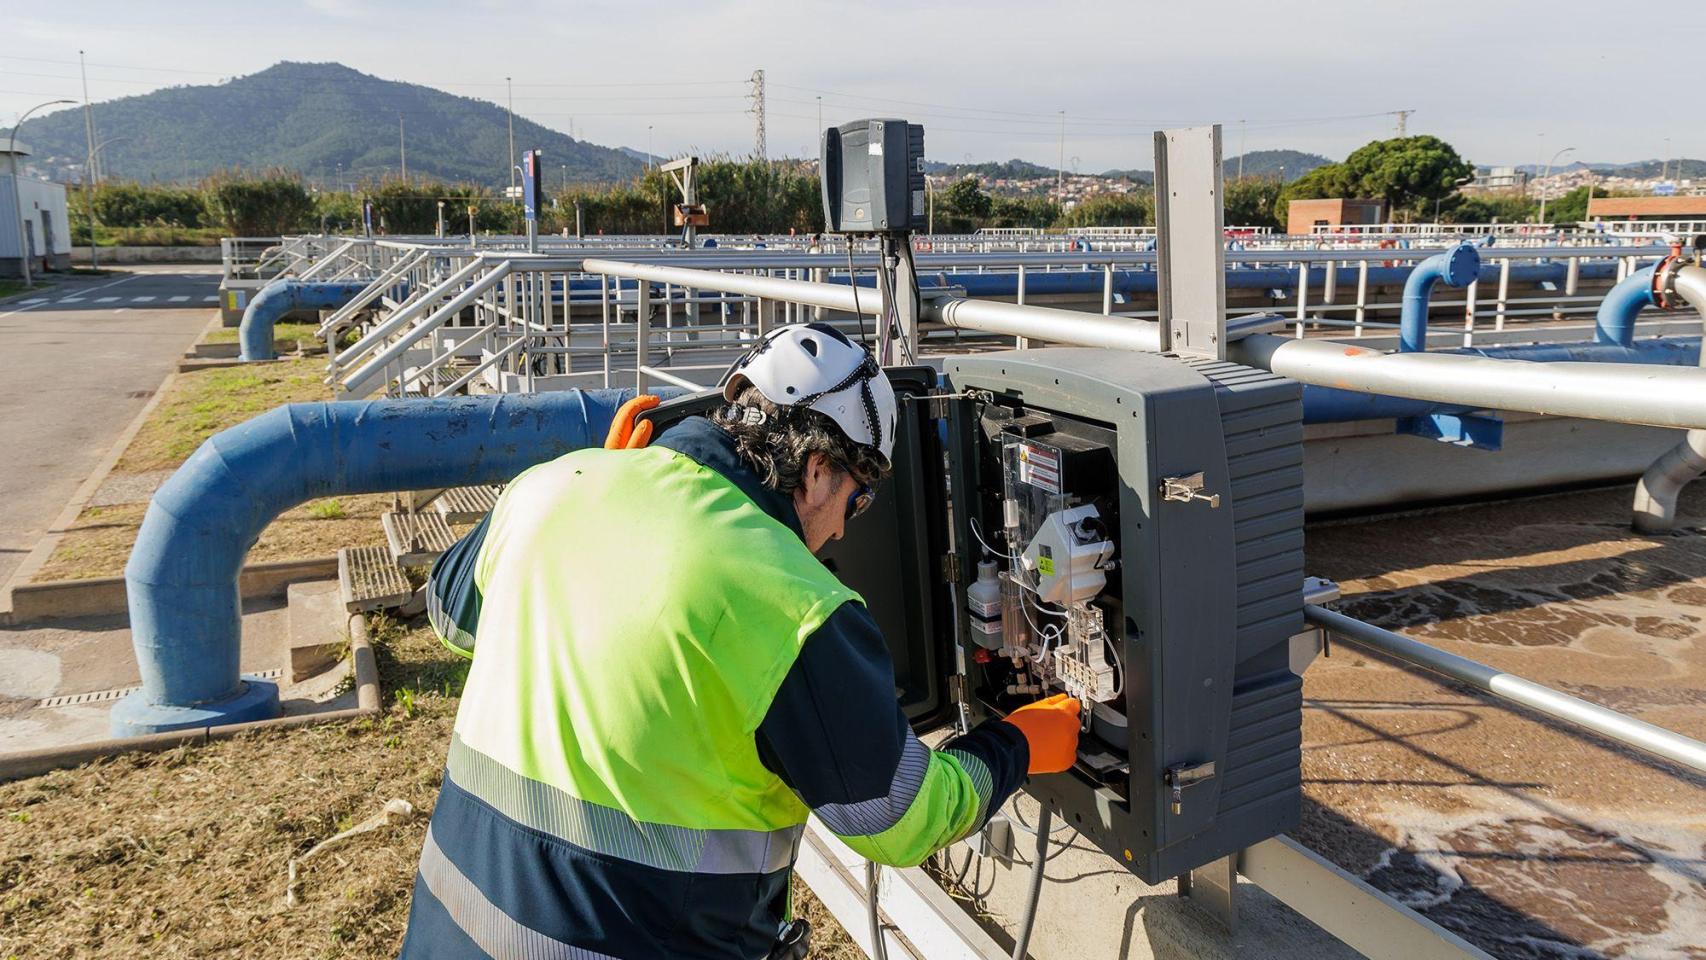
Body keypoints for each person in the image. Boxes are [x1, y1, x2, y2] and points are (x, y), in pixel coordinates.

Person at [399, 323, 1082, 959]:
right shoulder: (794, 606)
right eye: (859, 498)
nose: (844, 529)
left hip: (446, 927)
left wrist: (603, 484)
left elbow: (450, 616)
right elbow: (900, 819)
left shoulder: (552, 488)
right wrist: (1017, 745)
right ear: (818, 468)